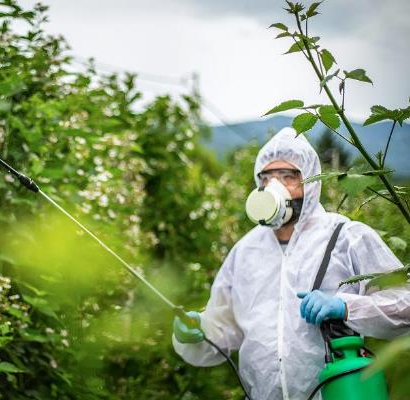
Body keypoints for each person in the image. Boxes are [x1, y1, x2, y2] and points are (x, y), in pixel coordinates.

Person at [172, 127, 410, 400]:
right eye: (267, 177)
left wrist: (347, 306)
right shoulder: (245, 252)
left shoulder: (347, 237)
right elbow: (225, 330)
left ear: (311, 182)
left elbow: (405, 306)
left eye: (288, 176)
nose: (275, 187)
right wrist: (198, 330)